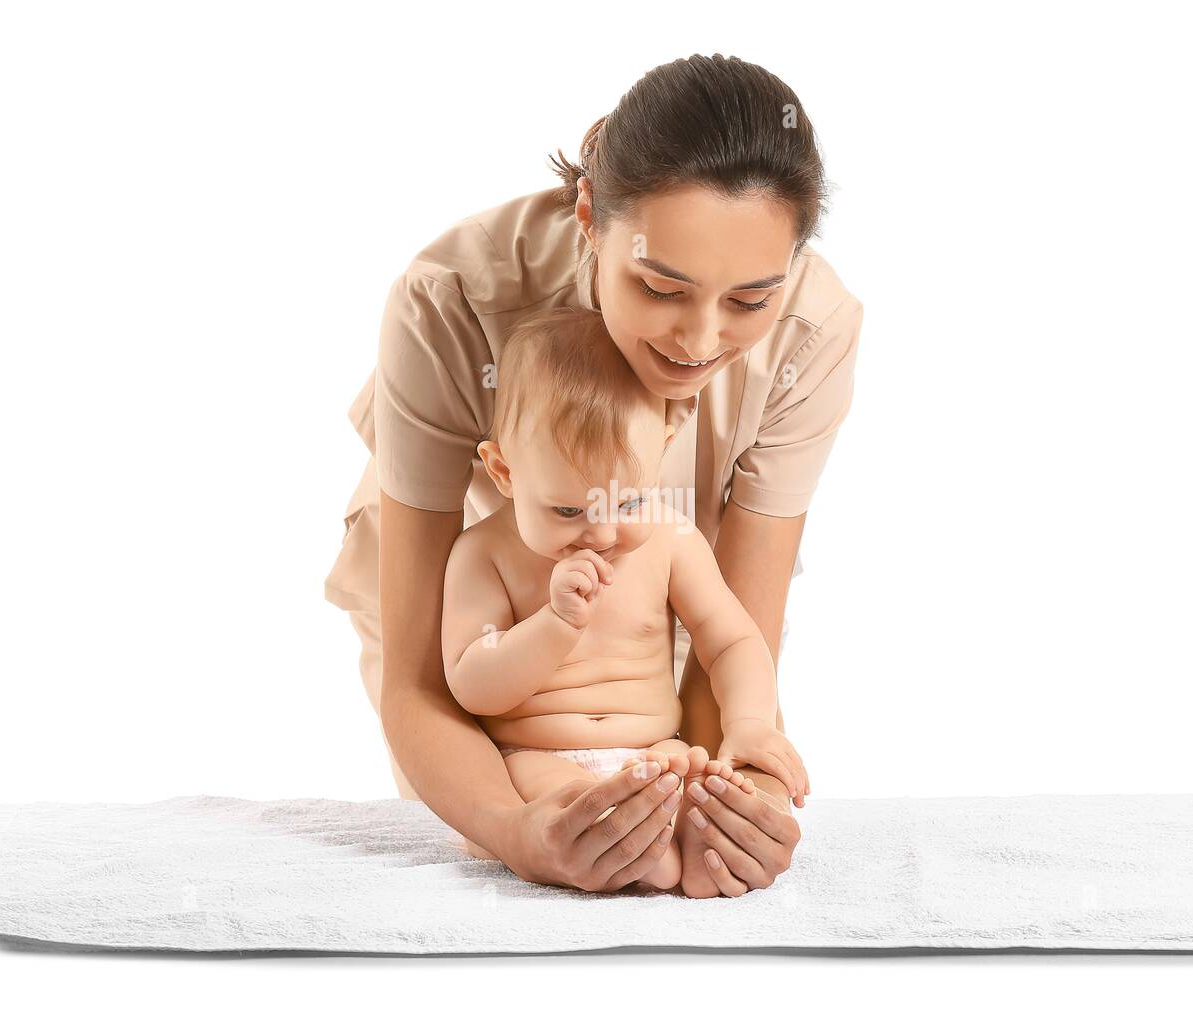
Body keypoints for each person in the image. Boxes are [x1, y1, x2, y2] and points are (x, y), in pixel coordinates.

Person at [323, 53, 864, 897]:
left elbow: (734, 642)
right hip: (478, 634)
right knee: (526, 859)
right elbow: (425, 683)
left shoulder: (814, 331)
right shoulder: (453, 299)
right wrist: (513, 828)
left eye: (749, 301)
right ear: (589, 216)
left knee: (680, 856)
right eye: (659, 286)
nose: (698, 340)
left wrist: (746, 796)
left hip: (654, 622)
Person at [438, 305, 806, 893]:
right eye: (568, 511)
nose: (604, 534)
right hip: (537, 759)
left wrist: (751, 722)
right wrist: (555, 624)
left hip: (656, 753)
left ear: (662, 447)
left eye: (628, 501)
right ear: (505, 471)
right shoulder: (483, 556)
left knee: (711, 804)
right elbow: (472, 681)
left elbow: (732, 639)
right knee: (564, 808)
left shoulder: (670, 539)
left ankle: (685, 839)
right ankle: (632, 843)